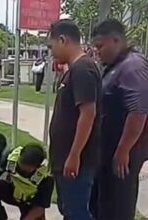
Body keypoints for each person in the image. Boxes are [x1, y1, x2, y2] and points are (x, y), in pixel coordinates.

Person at [90, 19, 148, 220]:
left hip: (123, 153)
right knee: (103, 203)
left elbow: (139, 111)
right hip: (109, 150)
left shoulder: (132, 66)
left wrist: (123, 150)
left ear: (116, 40)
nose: (97, 52)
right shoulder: (117, 65)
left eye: (100, 46)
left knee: (117, 205)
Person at [48, 19, 101, 220]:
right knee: (70, 211)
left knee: (77, 212)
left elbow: (88, 114)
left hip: (77, 162)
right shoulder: (74, 70)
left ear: (63, 40)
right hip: (65, 159)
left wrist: (74, 155)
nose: (51, 52)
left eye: (51, 46)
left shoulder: (83, 69)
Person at [0, 143, 54, 220]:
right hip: (12, 190)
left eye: (29, 167)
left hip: (30, 200)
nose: (24, 168)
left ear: (37, 166)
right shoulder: (11, 159)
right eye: (22, 163)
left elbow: (40, 208)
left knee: (35, 215)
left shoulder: (46, 178)